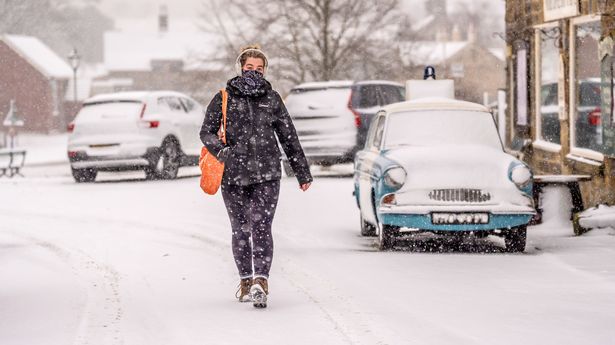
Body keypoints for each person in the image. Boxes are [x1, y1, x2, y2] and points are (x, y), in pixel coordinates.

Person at [200, 44, 312, 308]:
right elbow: (206, 132)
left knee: (261, 227)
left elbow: (288, 137)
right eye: (249, 67)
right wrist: (223, 151)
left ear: (265, 71)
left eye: (259, 69)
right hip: (233, 175)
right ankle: (246, 281)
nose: (253, 72)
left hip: (267, 174)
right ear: (240, 68)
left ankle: (262, 281)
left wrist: (302, 172)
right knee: (241, 230)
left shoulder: (272, 99)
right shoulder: (224, 97)